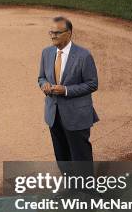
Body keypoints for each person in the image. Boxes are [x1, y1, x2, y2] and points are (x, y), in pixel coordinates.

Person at [38, 16, 99, 163]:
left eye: (57, 33)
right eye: (51, 32)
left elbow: (92, 84)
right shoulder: (46, 53)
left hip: (76, 116)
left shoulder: (83, 56)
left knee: (80, 158)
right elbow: (41, 77)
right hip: (54, 115)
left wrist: (66, 90)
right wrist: (44, 84)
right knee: (62, 157)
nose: (53, 36)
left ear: (69, 33)